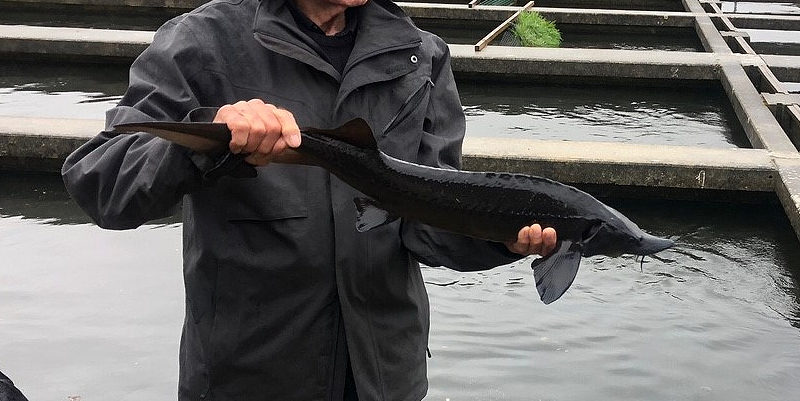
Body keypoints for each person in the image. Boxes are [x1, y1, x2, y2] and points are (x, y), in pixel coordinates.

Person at [62, 0, 557, 399]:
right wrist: (210, 137)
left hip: (385, 377)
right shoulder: (203, 40)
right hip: (249, 376)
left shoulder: (420, 55)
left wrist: (500, 238)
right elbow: (103, 183)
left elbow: (427, 221)